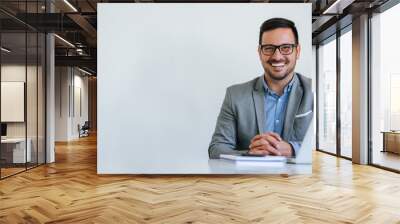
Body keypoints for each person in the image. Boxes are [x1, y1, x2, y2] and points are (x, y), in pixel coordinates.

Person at [208, 18, 313, 159]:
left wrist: (292, 149)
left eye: (286, 48)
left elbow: (321, 145)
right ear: (259, 52)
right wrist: (251, 153)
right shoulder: (235, 95)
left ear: (298, 51)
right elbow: (216, 148)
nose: (277, 56)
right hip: (250, 179)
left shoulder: (312, 90)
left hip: (299, 180)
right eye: (269, 48)